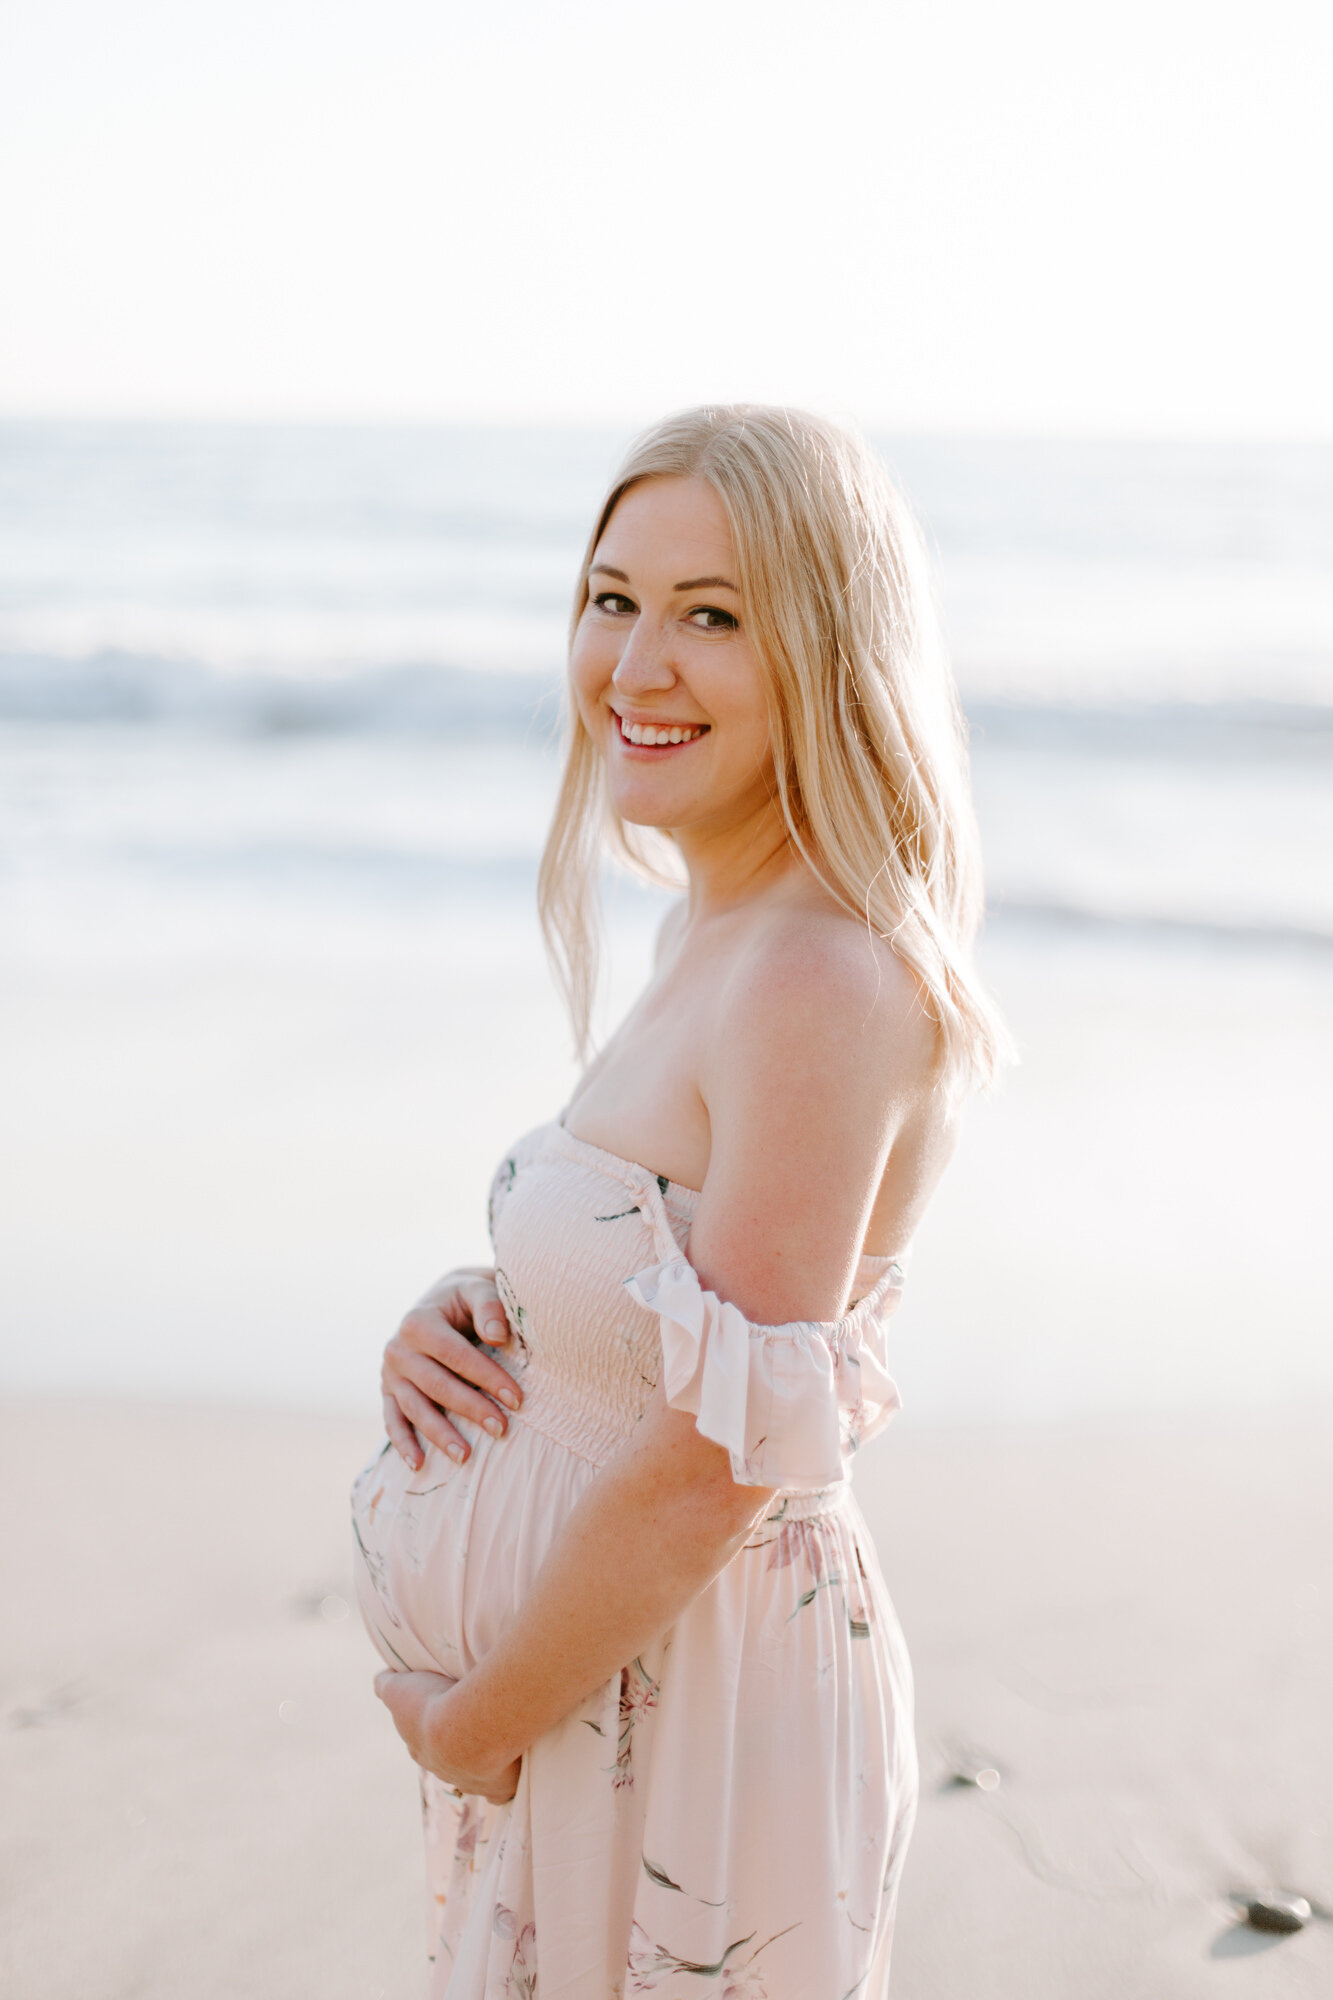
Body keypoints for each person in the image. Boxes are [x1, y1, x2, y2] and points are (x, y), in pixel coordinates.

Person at [351, 403, 1008, 1999]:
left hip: (683, 1709)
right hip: (600, 1688)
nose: (634, 665)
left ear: (829, 649)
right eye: (611, 598)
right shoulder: (710, 932)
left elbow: (725, 1457)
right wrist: (488, 1321)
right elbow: (676, 1299)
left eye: (711, 615)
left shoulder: (817, 975)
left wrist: (476, 1720)